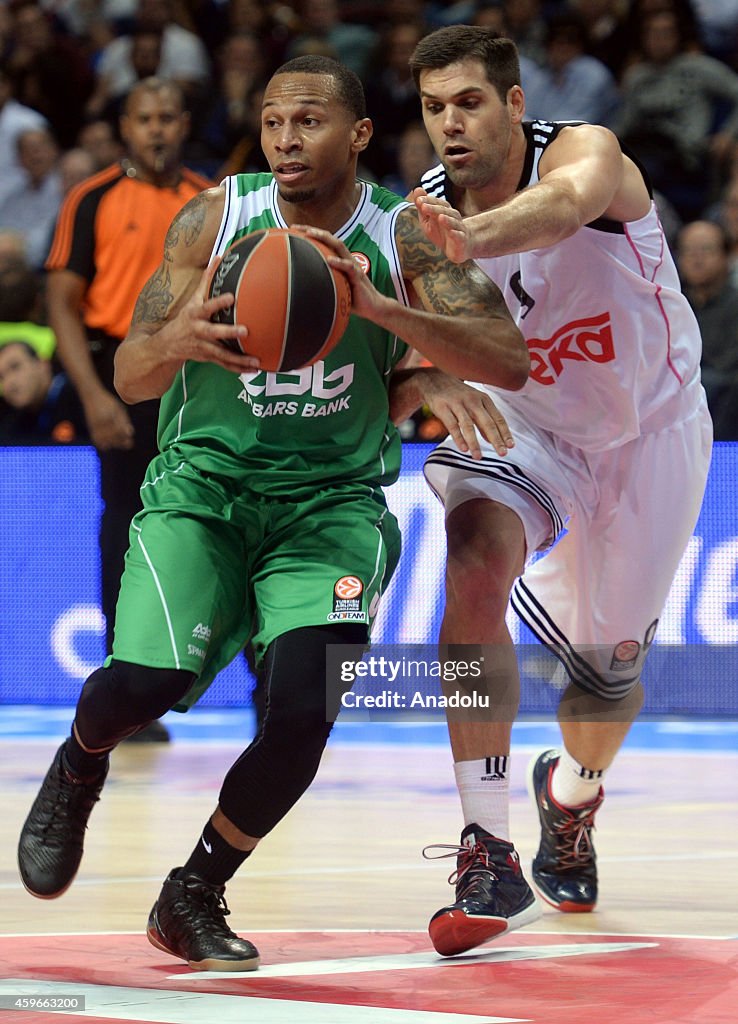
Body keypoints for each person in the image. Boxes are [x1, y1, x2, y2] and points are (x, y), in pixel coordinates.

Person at [17, 54, 528, 972]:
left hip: (329, 506)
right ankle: (80, 762)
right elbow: (133, 373)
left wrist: (391, 320)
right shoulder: (218, 216)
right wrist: (177, 339)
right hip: (203, 494)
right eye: (272, 122)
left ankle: (195, 891)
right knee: (143, 687)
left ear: (360, 135)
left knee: (303, 708)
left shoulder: (401, 235)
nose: (286, 141)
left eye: (310, 123)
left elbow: (506, 354)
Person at [407, 26, 712, 957]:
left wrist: (470, 236)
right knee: (471, 560)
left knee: (607, 681)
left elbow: (563, 207)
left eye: (467, 103)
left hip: (652, 431)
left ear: (512, 105)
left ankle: (569, 797)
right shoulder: (418, 209)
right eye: (431, 108)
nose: (450, 125)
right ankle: (486, 841)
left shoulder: (589, 154)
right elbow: (411, 332)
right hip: (529, 429)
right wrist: (426, 378)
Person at [44, 80, 212, 745]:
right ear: (125, 127)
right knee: (124, 529)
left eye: (168, 118)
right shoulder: (91, 199)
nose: (157, 130)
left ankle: (210, 681)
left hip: (192, 377)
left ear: (185, 123)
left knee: (197, 527)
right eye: (145, 120)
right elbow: (61, 300)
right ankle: (123, 693)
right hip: (118, 372)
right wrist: (92, 396)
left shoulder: (207, 197)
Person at [0, 340, 87, 444]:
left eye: (15, 367)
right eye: (1, 377)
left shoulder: (84, 400)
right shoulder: (11, 424)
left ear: (42, 364)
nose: (9, 382)